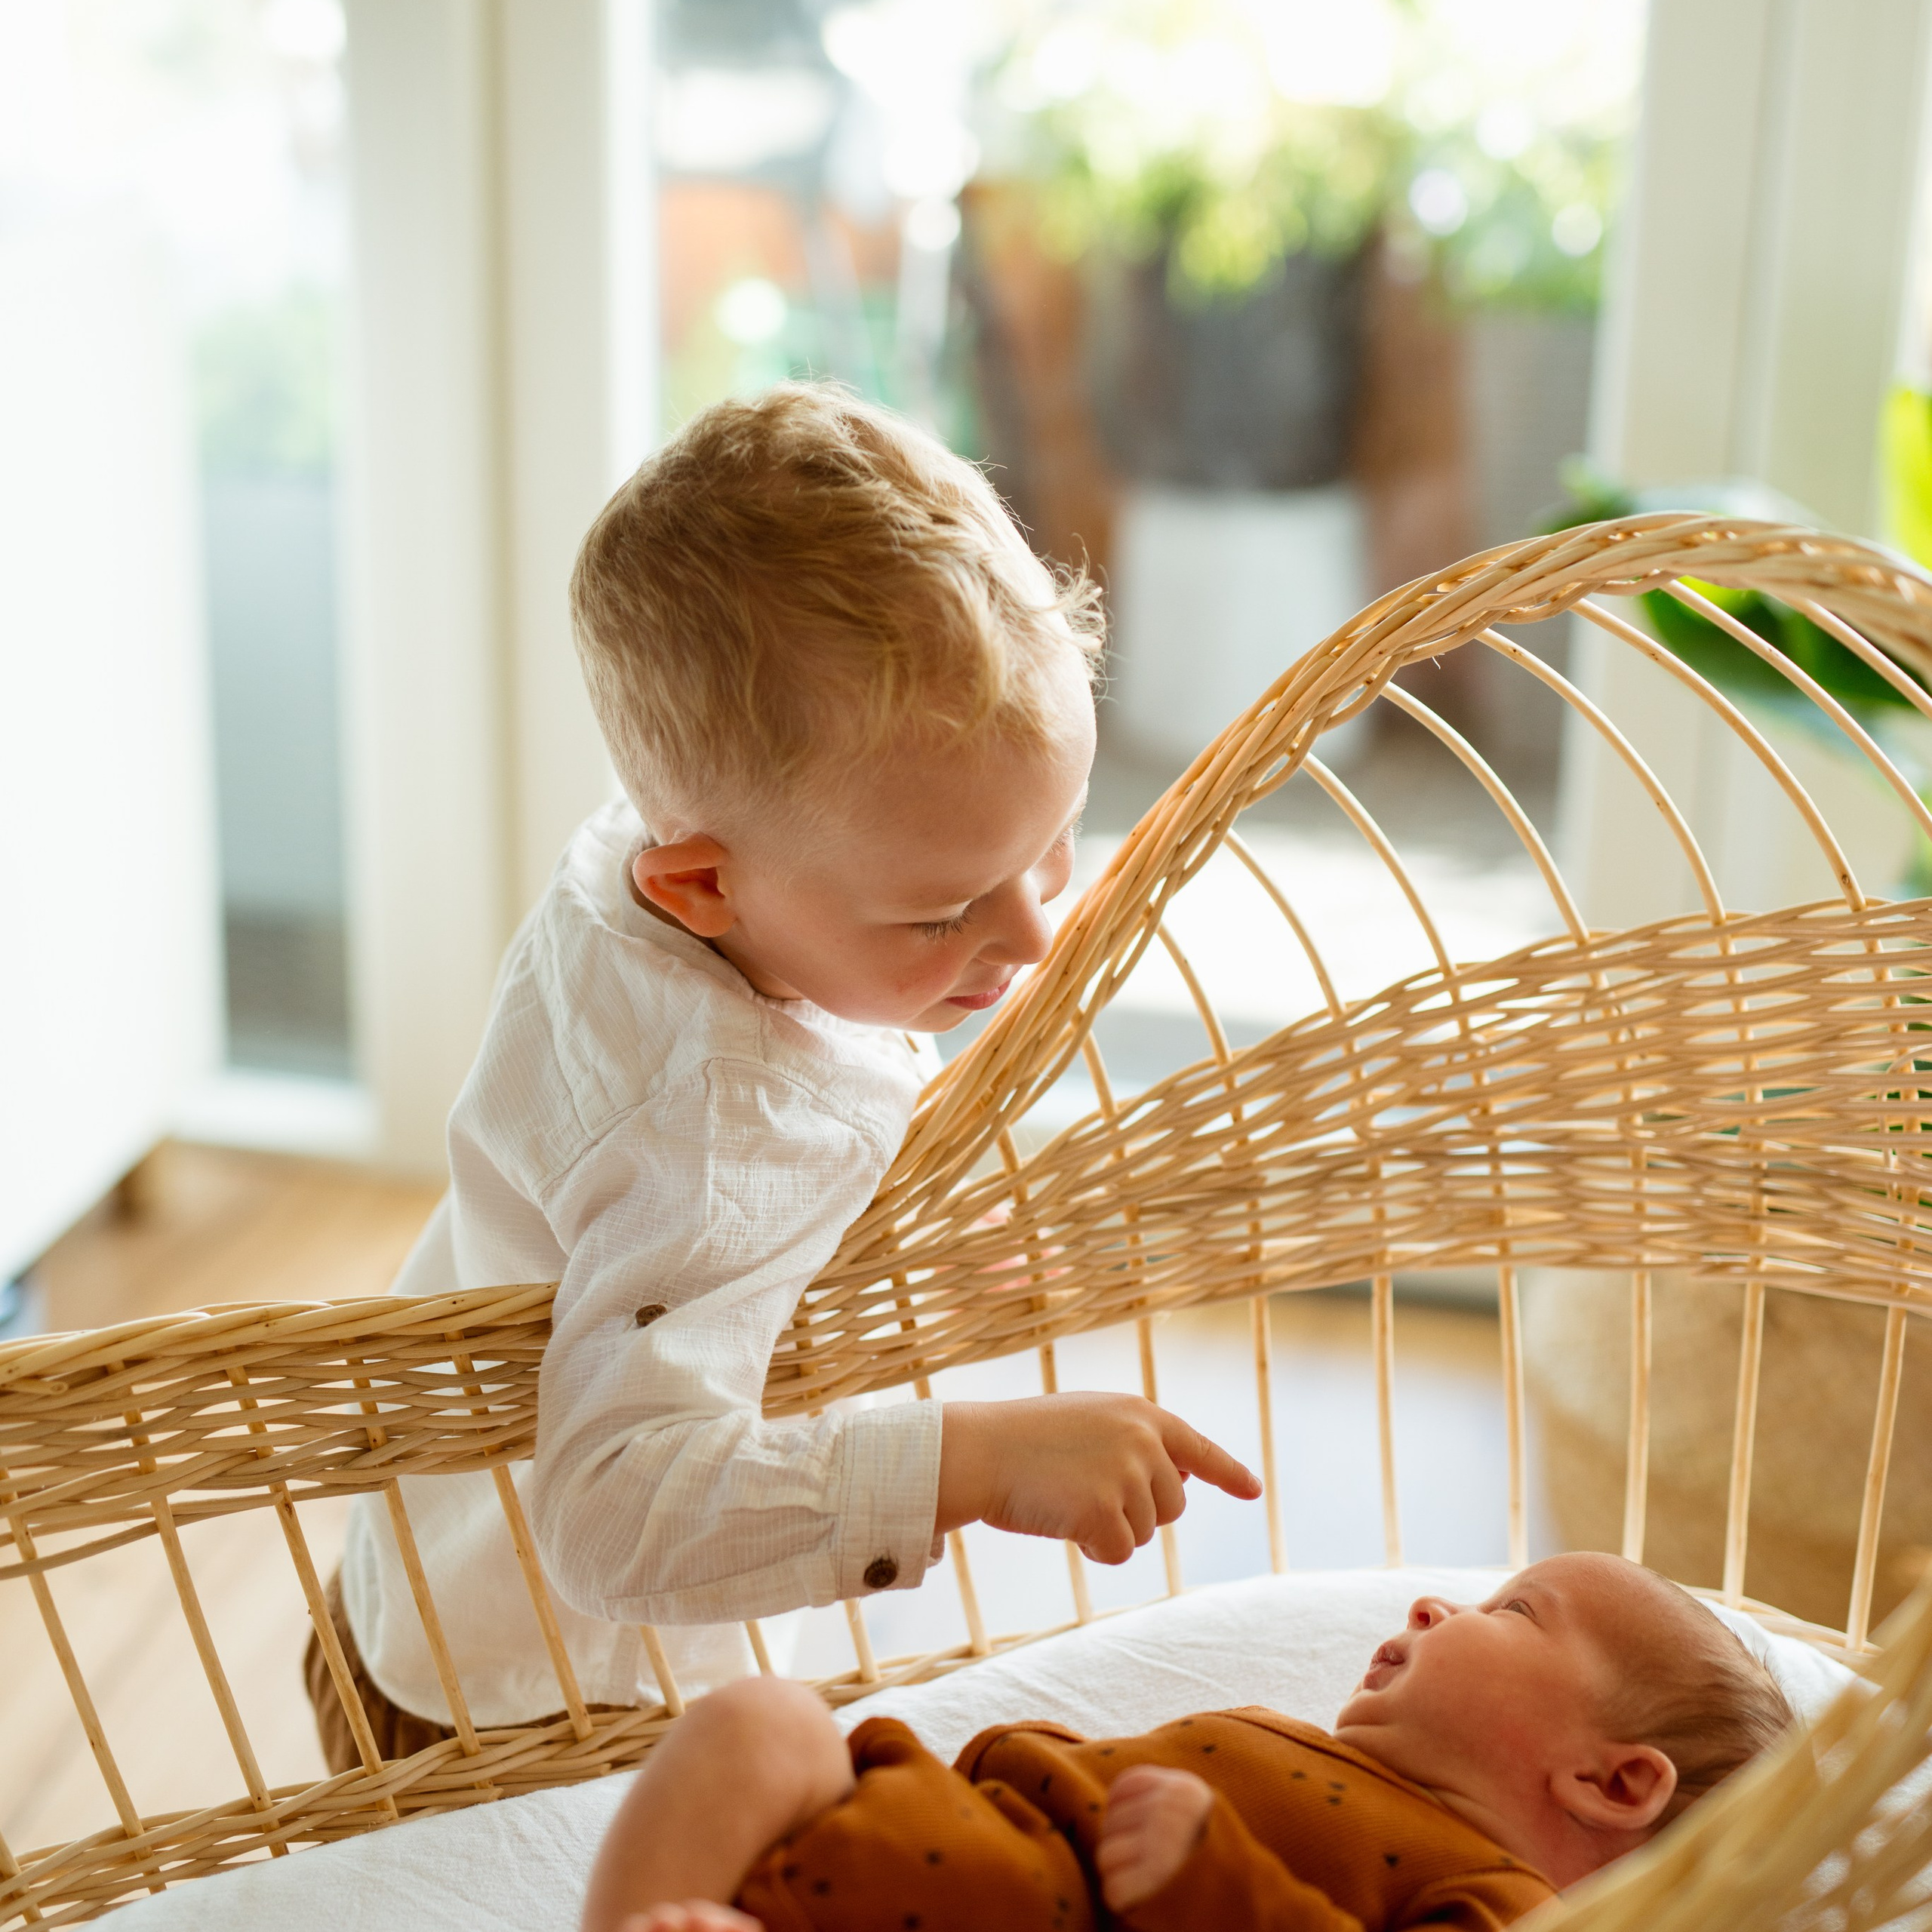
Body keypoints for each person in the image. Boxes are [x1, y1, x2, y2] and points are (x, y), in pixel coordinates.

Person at [308, 383, 1261, 1767]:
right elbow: (613, 1511)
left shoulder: (688, 861)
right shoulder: (709, 1129)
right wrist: (980, 1460)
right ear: (697, 883)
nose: (1034, 935)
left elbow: (809, 1051)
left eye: (1054, 844)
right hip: (534, 1715)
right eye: (942, 913)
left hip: (416, 1589)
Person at [580, 1553, 1795, 1932]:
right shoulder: (1307, 1745)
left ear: (1615, 1781)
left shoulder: (1496, 1897)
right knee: (760, 1721)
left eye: (1512, 1611)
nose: (1432, 1606)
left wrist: (1219, 1882)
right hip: (928, 1832)